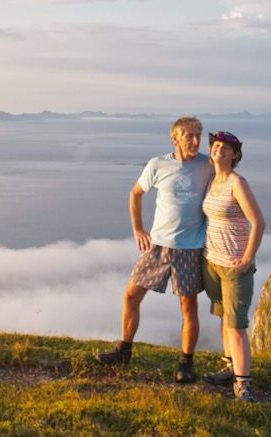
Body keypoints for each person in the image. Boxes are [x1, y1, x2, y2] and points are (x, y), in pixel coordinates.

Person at [95, 116, 213, 383]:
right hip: (158, 245)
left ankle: (186, 363)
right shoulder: (158, 164)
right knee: (131, 295)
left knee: (188, 307)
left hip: (191, 247)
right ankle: (124, 351)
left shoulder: (208, 165)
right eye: (189, 136)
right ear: (175, 138)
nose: (195, 141)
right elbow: (135, 193)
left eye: (198, 135)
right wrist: (138, 229)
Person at [200, 130, 266, 402]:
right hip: (212, 261)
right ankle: (230, 368)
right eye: (215, 147)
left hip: (234, 266)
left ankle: (243, 383)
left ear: (235, 155)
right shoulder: (212, 181)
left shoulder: (238, 183)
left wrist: (248, 257)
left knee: (237, 324)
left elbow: (258, 222)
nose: (219, 151)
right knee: (224, 317)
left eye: (225, 149)